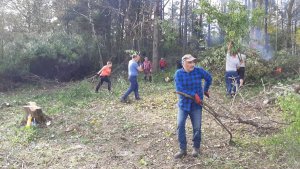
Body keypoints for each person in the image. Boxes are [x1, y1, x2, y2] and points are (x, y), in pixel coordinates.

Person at [174, 54, 212, 159]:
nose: (192, 64)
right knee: (180, 125)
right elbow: (179, 89)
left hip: (196, 105)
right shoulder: (178, 74)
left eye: (193, 62)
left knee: (197, 127)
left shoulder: (199, 71)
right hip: (184, 105)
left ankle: (196, 148)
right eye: (189, 62)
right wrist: (193, 94)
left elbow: (209, 78)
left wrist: (205, 89)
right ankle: (183, 149)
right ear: (183, 63)